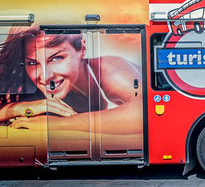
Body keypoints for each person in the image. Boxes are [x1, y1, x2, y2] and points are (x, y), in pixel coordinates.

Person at [0, 26, 142, 132]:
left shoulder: (111, 70)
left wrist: (55, 125)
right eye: (32, 63)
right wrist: (23, 108)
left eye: (56, 58)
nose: (45, 76)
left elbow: (144, 111)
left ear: (82, 49)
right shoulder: (24, 80)